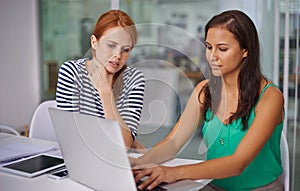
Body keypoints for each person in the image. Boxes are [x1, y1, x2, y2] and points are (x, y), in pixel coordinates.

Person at [132, 10, 284, 191]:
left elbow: (238, 163)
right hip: (212, 185)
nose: (212, 56)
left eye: (222, 49)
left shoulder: (270, 97)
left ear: (245, 50)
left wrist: (173, 172)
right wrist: (139, 164)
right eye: (209, 47)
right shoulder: (204, 91)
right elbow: (173, 143)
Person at [56, 10, 145, 150]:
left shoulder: (134, 79)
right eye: (111, 45)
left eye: (125, 49)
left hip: (116, 161)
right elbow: (71, 137)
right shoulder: (72, 72)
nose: (117, 55)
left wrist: (105, 93)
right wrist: (127, 140)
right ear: (94, 42)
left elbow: (123, 145)